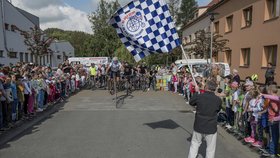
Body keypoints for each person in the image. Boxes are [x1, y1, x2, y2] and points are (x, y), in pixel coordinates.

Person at [188, 80, 222, 158]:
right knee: (210, 148)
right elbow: (218, 109)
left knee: (195, 144)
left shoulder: (200, 96)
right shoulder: (218, 100)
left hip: (199, 124)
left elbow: (191, 102)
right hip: (211, 125)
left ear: (206, 87)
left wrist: (196, 92)